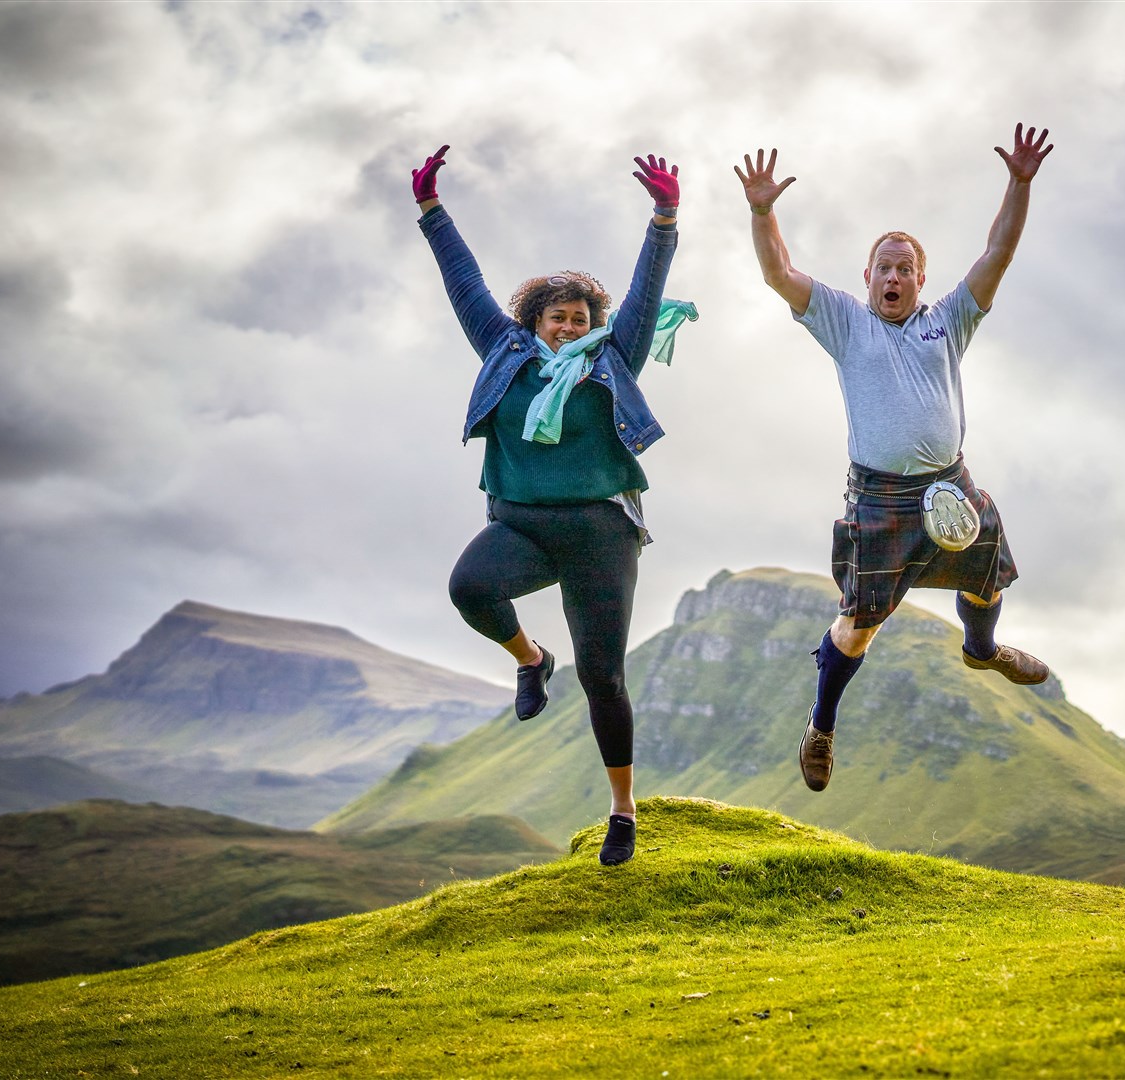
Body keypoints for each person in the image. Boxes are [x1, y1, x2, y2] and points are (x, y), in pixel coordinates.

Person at [735, 125, 1055, 793]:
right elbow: (779, 273)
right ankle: (821, 725)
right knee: (857, 627)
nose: (894, 274)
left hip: (950, 486)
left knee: (988, 581)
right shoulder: (845, 319)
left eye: (905, 265)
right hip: (879, 495)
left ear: (920, 279)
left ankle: (983, 650)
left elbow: (999, 249)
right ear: (868, 276)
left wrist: (1018, 185)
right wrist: (764, 212)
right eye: (884, 264)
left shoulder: (949, 320)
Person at [412, 144, 695, 865]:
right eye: (556, 316)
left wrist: (664, 217)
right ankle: (529, 658)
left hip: (602, 531)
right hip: (522, 524)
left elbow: (644, 287)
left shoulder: (613, 356)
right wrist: (432, 212)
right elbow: (463, 282)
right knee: (470, 588)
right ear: (534, 320)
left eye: (578, 316)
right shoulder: (502, 350)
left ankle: (622, 810)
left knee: (603, 676)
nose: (568, 326)